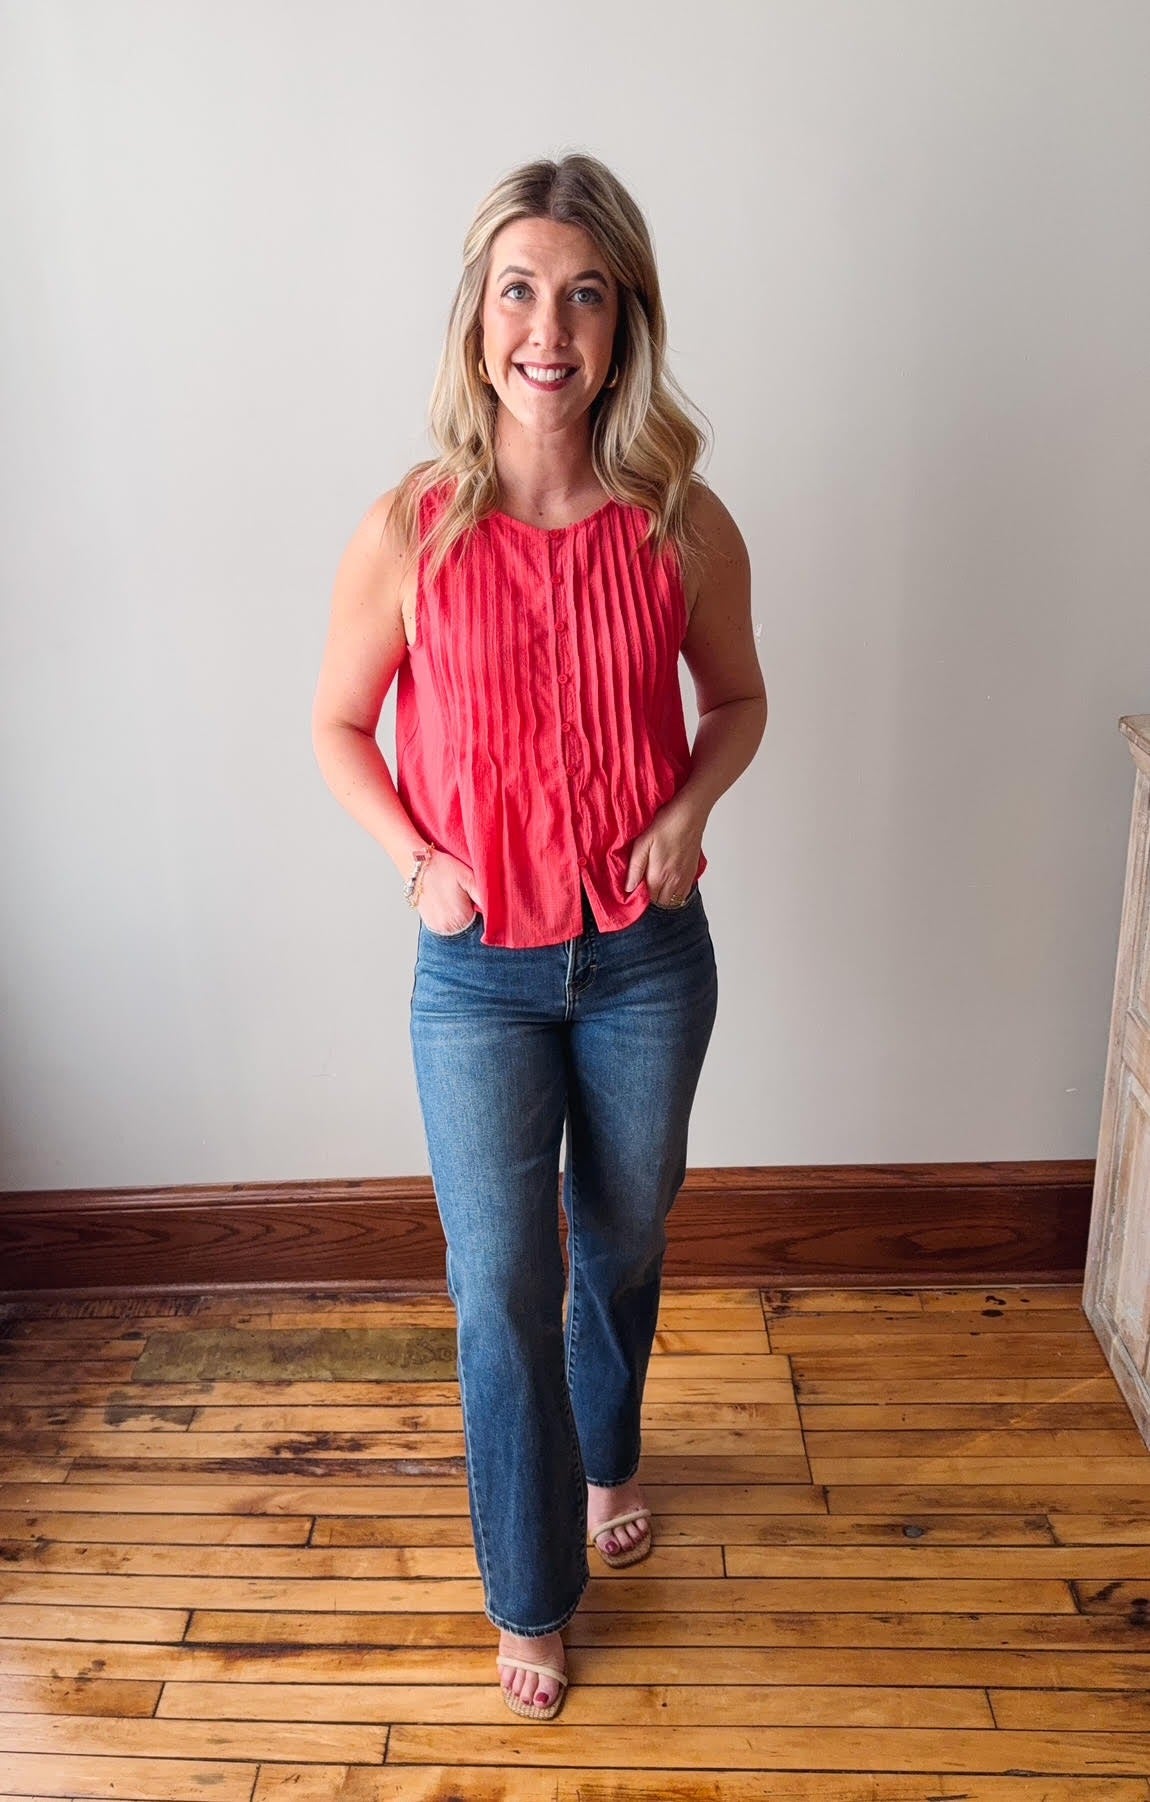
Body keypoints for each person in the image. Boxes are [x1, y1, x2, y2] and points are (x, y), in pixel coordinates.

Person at [311, 151, 766, 1722]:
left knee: (624, 1238)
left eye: (583, 293)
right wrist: (414, 860)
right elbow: (335, 724)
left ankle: (610, 1449)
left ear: (624, 316)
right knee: (500, 1276)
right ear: (476, 315)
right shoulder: (412, 527)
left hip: (647, 958)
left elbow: (742, 702)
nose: (547, 327)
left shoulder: (678, 519)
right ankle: (528, 1587)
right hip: (478, 977)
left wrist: (690, 808)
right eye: (519, 289)